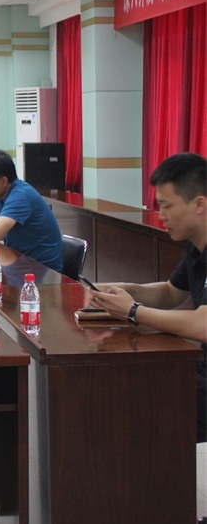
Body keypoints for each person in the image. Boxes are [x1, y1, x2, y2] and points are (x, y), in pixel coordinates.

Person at [86, 152, 206, 443]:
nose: (161, 215)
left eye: (167, 205)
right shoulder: (197, 245)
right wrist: (124, 289)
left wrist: (133, 310)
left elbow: (203, 325)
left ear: (199, 204)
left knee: (142, 401)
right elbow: (171, 292)